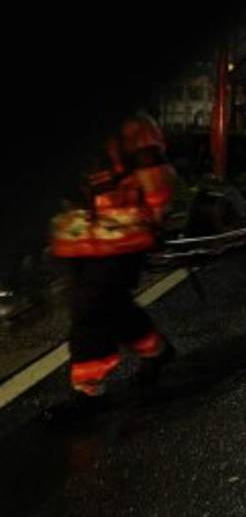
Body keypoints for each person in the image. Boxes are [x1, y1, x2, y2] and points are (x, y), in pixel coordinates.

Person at [47, 112, 177, 419]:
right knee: (112, 306)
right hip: (74, 236)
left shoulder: (133, 126)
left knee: (89, 310)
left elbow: (155, 179)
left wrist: (157, 220)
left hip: (122, 236)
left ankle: (89, 391)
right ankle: (157, 350)